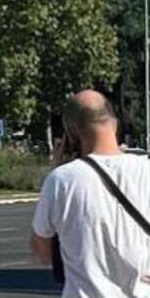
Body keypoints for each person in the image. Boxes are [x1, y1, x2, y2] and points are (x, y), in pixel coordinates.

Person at [31, 90, 150, 298]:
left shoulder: (60, 180)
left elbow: (42, 251)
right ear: (114, 123)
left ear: (72, 134)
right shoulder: (146, 170)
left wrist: (58, 168)